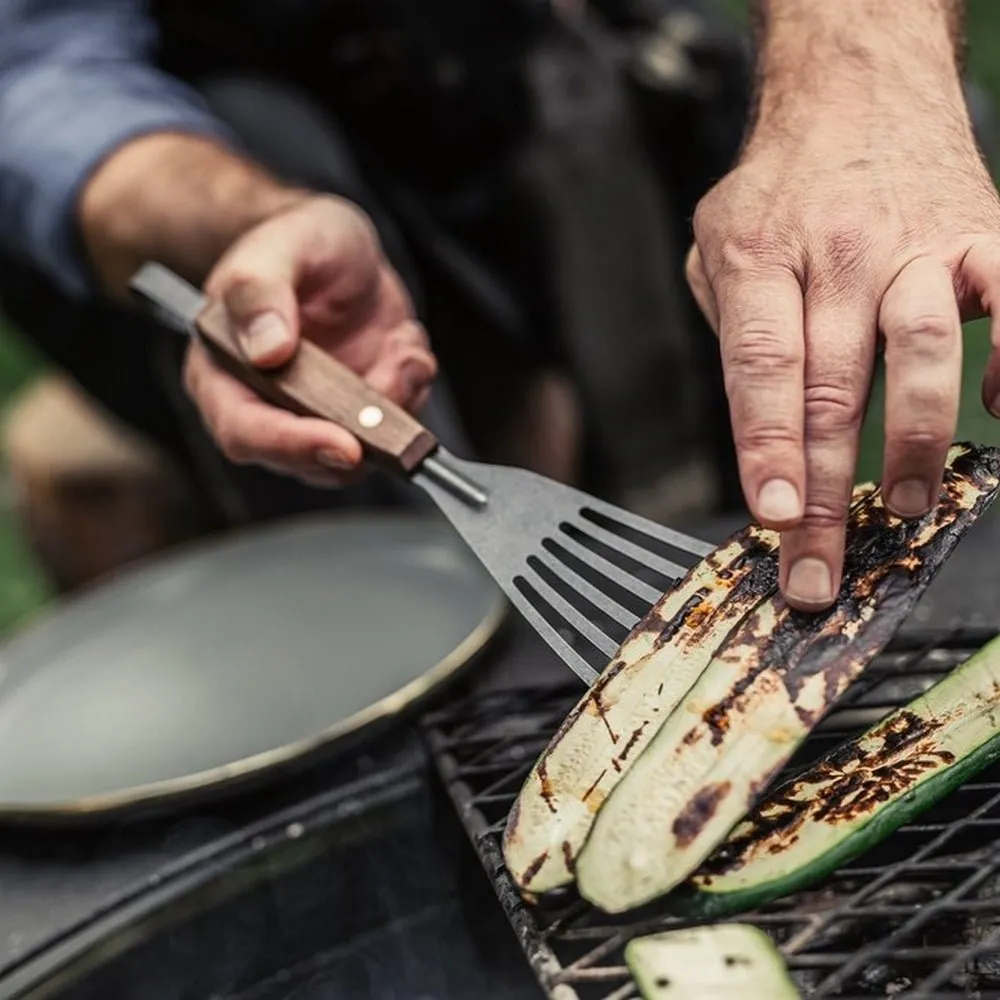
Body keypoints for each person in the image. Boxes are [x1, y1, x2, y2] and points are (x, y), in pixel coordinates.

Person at [0, 0, 997, 613]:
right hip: (232, 126)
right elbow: (35, 74)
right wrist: (242, 215)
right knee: (374, 521)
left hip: (504, 62)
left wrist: (861, 86)